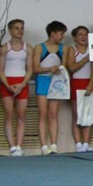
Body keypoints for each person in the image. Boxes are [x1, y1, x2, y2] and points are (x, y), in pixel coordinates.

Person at [0, 18, 32, 156]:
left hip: (22, 82)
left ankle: (19, 146)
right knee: (9, 116)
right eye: (16, 28)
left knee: (21, 116)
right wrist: (8, 86)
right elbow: (0, 70)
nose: (20, 31)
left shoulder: (28, 48)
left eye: (22, 28)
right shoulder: (5, 48)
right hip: (7, 82)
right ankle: (12, 146)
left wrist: (22, 85)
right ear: (10, 31)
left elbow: (30, 70)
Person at [33, 21, 68, 155]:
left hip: (56, 82)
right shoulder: (39, 48)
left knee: (53, 115)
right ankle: (43, 146)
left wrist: (59, 70)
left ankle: (54, 145)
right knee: (43, 114)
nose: (62, 36)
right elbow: (35, 68)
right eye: (61, 34)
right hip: (43, 80)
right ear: (52, 34)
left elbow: (64, 67)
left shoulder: (63, 49)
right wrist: (49, 69)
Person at [68, 25, 93, 152]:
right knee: (77, 114)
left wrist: (91, 84)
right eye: (80, 34)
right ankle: (78, 143)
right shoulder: (72, 50)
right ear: (75, 38)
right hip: (76, 82)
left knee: (88, 114)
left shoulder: (92, 49)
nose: (84, 37)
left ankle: (86, 143)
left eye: (86, 34)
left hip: (88, 83)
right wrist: (86, 58)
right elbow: (72, 68)